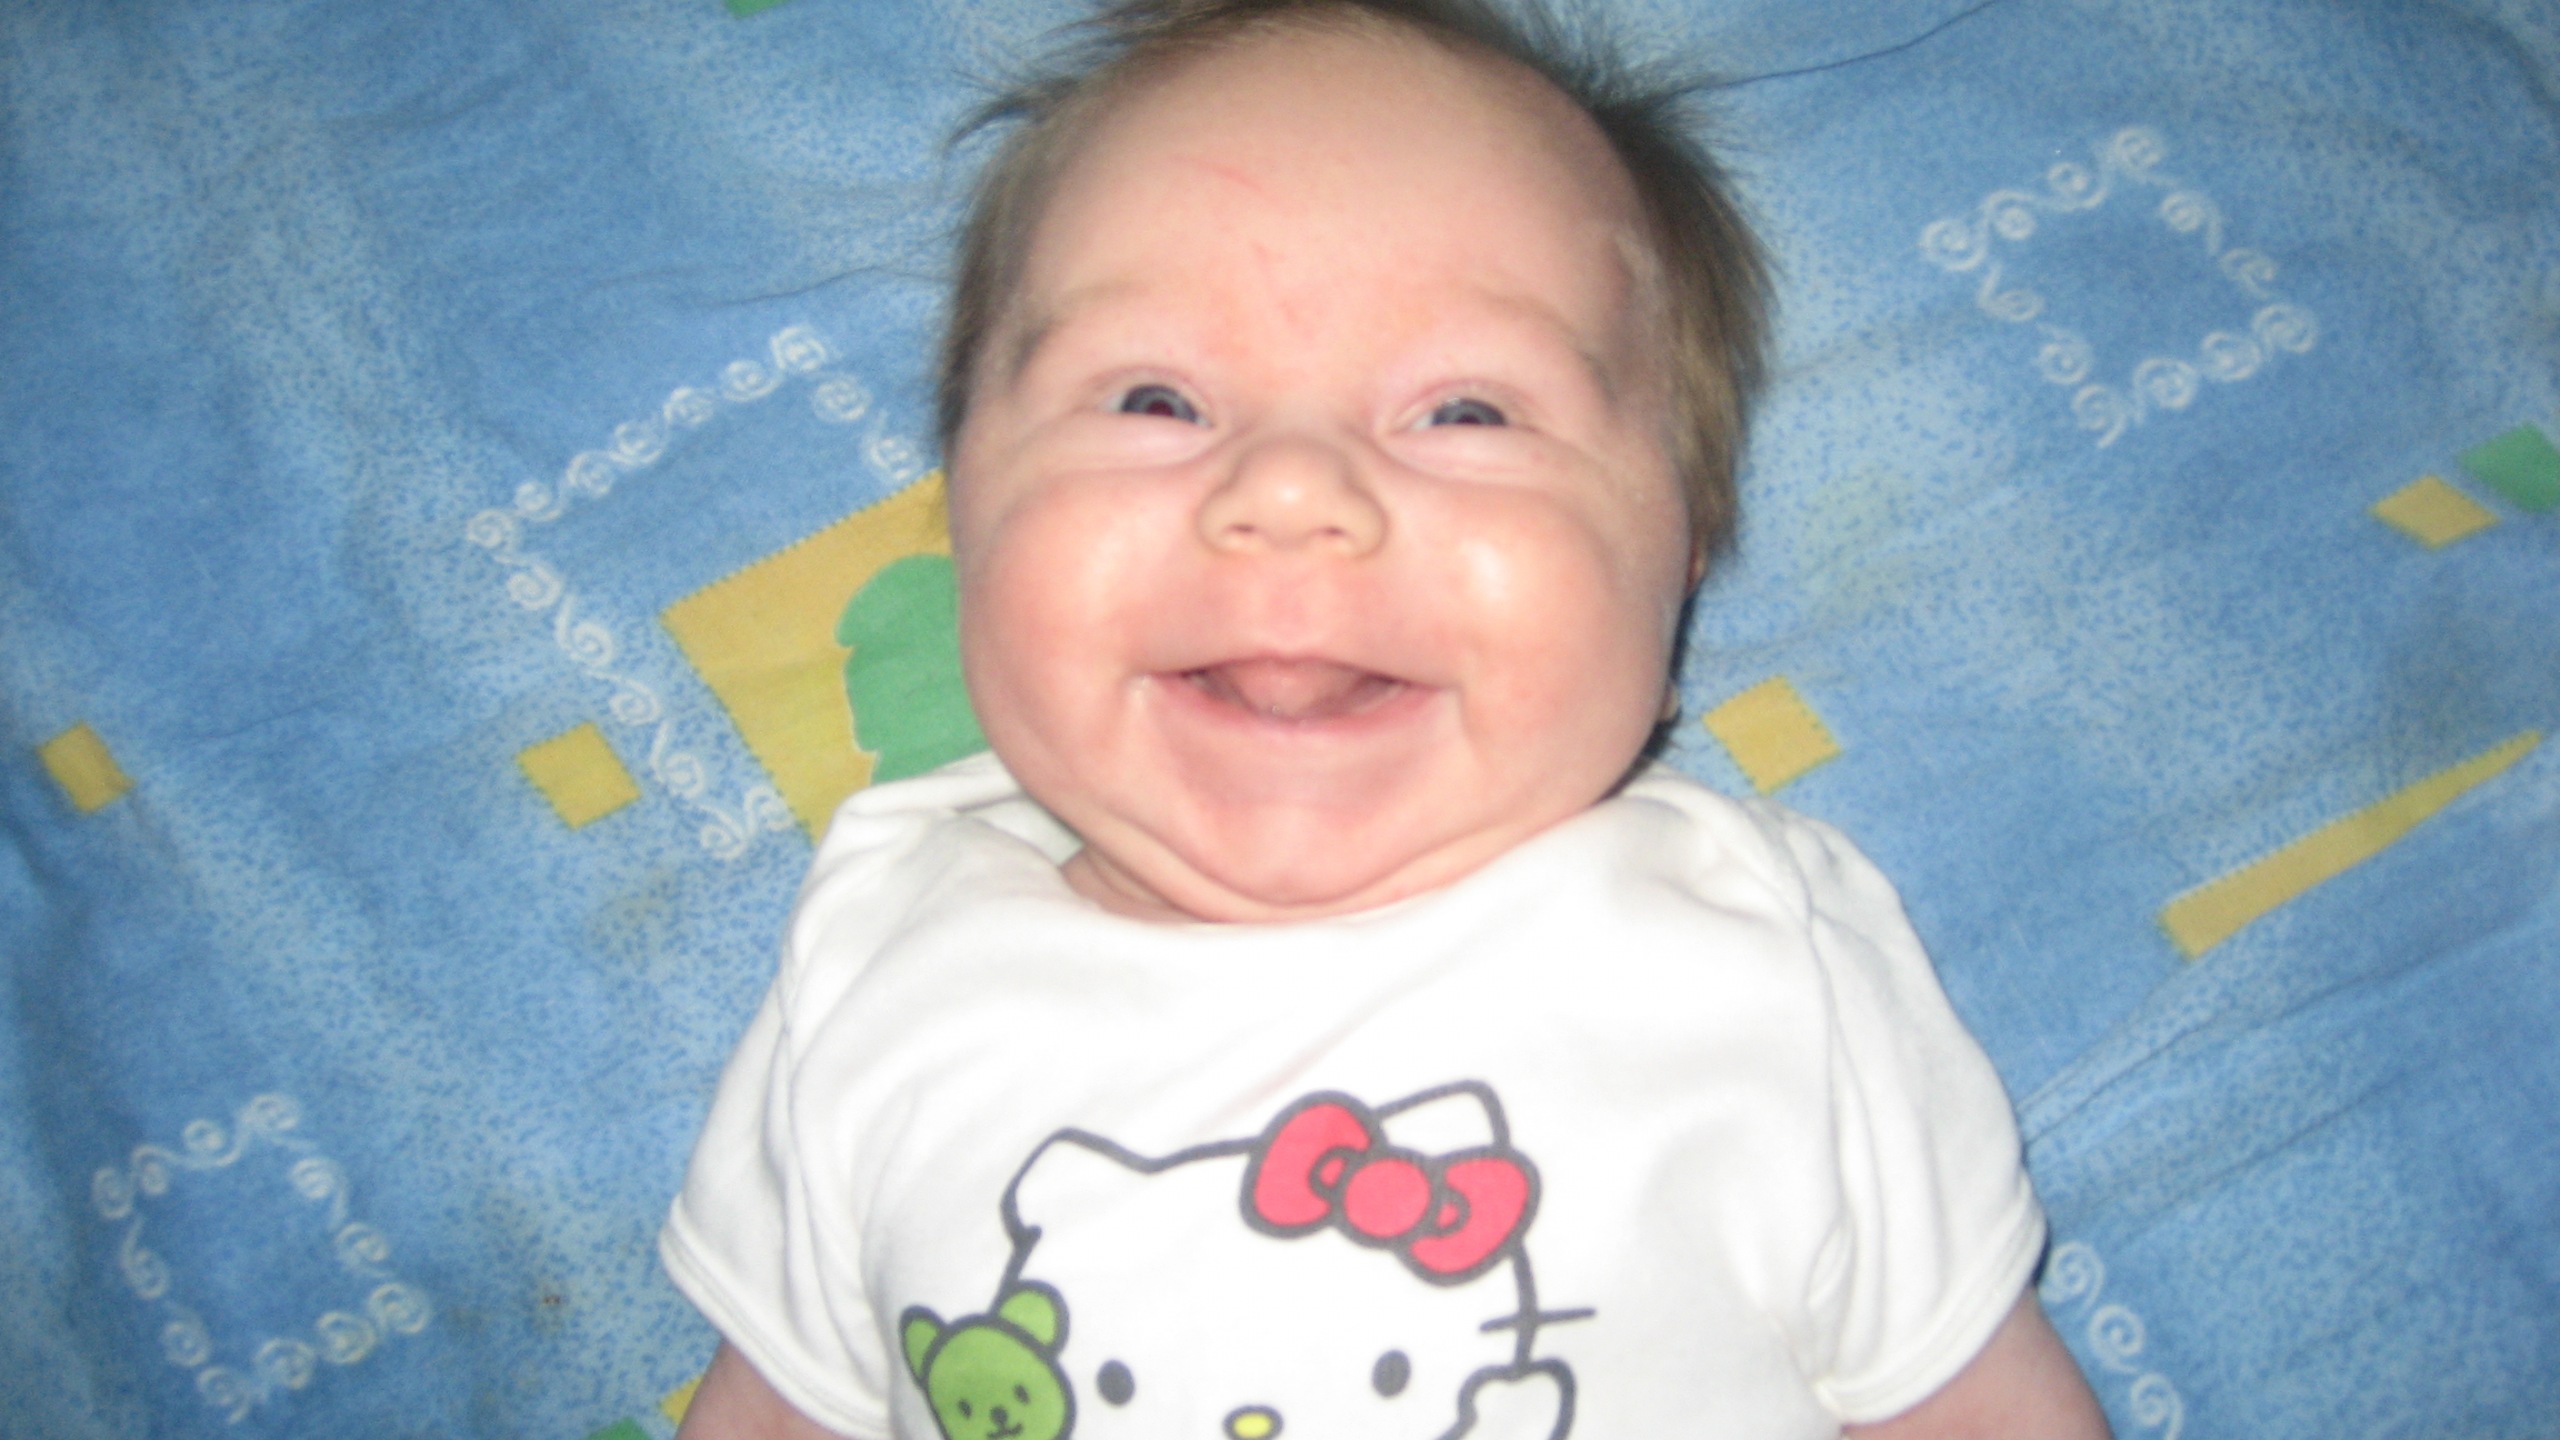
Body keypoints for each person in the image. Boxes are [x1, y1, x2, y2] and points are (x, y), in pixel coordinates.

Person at [662, 3, 2112, 1436]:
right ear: (964, 527)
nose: (1292, 488)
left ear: (1672, 579)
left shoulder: (1760, 950)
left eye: (1466, 414)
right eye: (1154, 398)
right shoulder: (881, 964)